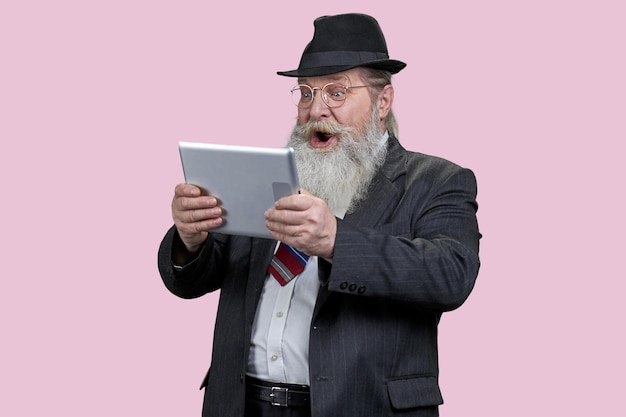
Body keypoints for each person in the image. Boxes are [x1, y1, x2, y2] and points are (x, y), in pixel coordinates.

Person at [158, 13, 481, 417]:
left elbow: (451, 276)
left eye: (337, 92)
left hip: (359, 407)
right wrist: (191, 241)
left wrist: (334, 241)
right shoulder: (268, 177)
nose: (316, 110)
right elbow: (192, 281)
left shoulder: (436, 180)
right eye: (306, 94)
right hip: (241, 403)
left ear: (383, 101)